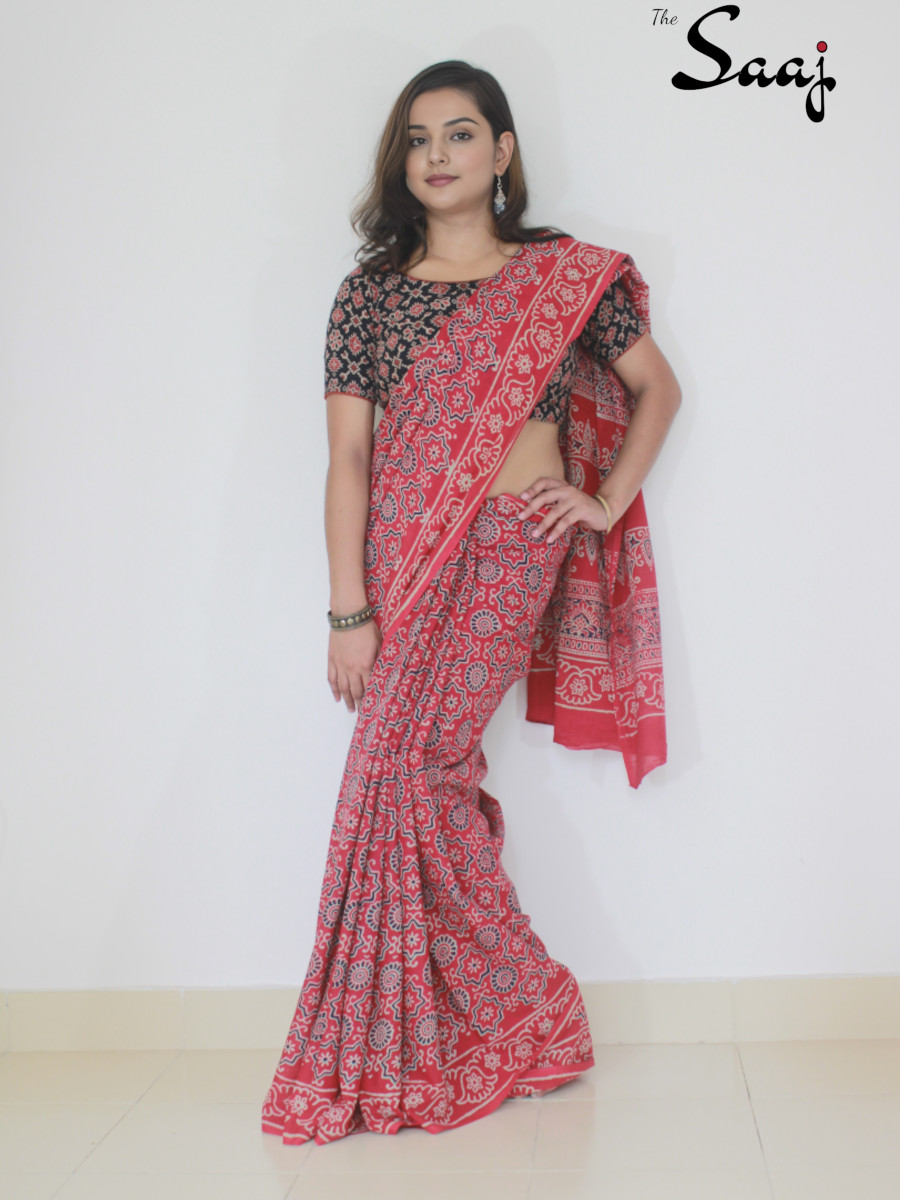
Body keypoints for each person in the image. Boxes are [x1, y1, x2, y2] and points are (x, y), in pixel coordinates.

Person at [262, 59, 682, 1146]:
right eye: (417, 138)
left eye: (459, 133)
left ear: (502, 152)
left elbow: (658, 389)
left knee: (421, 769)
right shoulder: (369, 296)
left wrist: (602, 500)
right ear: (400, 161)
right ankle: (511, 1015)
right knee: (402, 778)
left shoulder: (561, 281)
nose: (436, 155)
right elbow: (349, 460)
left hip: (510, 547)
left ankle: (515, 1015)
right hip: (401, 561)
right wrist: (348, 610)